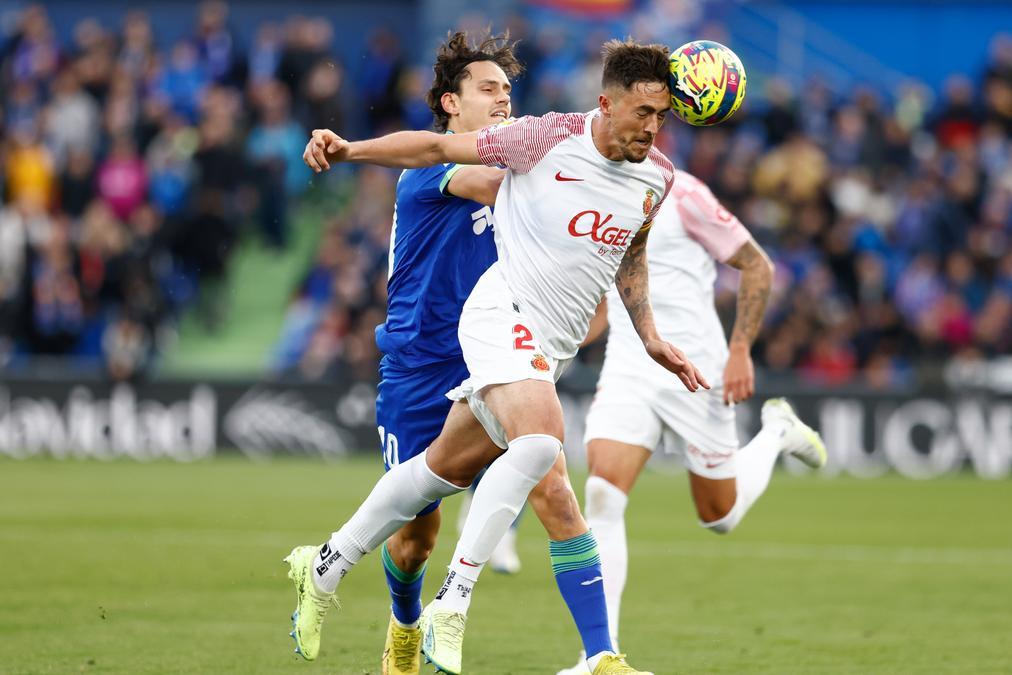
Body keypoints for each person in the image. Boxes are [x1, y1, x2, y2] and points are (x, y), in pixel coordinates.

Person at [289, 38, 703, 675]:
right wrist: (350, 150)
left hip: (505, 350)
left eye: (509, 91)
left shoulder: (639, 174)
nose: (504, 99)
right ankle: (417, 619)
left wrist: (642, 329)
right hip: (423, 358)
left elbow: (616, 242)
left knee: (552, 490)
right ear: (451, 104)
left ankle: (600, 655)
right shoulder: (471, 163)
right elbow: (479, 171)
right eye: (489, 90)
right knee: (418, 533)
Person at [556, 170, 827, 674]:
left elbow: (757, 266)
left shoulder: (687, 194)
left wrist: (741, 349)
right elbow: (603, 294)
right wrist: (560, 347)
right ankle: (597, 655)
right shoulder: (594, 188)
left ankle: (776, 434)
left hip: (696, 366)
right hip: (630, 362)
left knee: (719, 517)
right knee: (601, 495)